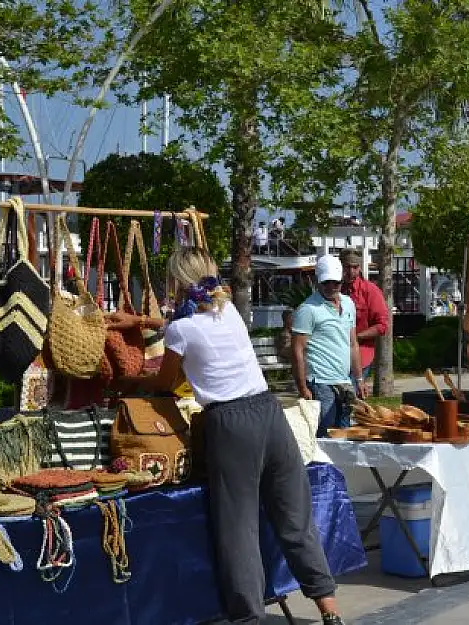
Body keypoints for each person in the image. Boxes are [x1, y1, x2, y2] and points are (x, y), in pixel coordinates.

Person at [116, 247, 345, 625]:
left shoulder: (181, 329)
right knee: (295, 518)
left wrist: (137, 375)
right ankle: (329, 609)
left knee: (238, 530)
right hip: (270, 414)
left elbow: (164, 379)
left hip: (230, 423)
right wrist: (144, 319)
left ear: (177, 282)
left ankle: (249, 618)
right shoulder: (230, 311)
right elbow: (190, 319)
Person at [292, 255, 366, 437]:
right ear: (318, 281)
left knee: (344, 434)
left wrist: (359, 379)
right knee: (325, 435)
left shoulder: (348, 304)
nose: (331, 287)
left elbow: (352, 343)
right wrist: (302, 387)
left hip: (344, 381)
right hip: (320, 382)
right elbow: (297, 350)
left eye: (336, 282)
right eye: (326, 283)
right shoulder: (307, 309)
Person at [338, 249, 388, 387]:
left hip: (361, 355)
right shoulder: (333, 289)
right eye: (347, 266)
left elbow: (382, 325)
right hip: (335, 356)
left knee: (350, 399)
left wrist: (357, 337)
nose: (351, 271)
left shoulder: (370, 290)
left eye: (355, 267)